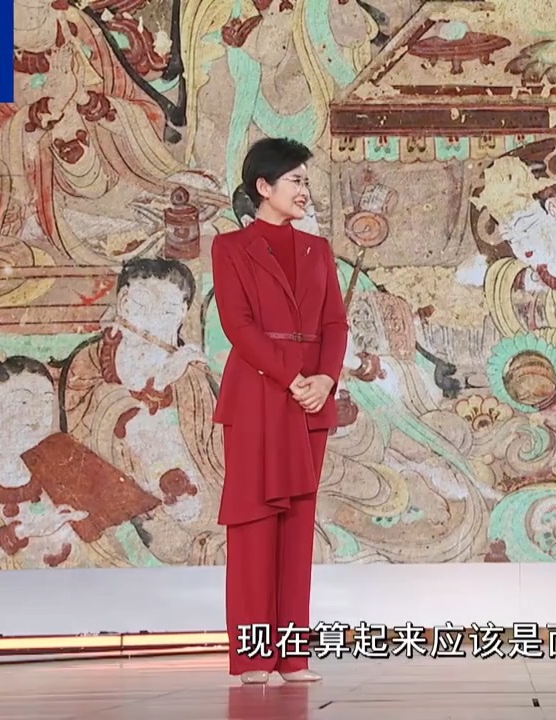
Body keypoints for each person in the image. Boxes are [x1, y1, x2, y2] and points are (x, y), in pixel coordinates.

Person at [209, 138, 349, 684]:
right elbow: (238, 326)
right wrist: (292, 379)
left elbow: (334, 323)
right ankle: (252, 658)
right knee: (254, 523)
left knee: (297, 527)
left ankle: (292, 657)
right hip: (258, 396)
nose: (304, 190)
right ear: (263, 187)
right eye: (295, 180)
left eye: (306, 181)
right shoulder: (230, 248)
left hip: (311, 400)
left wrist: (324, 380)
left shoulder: (318, 250)